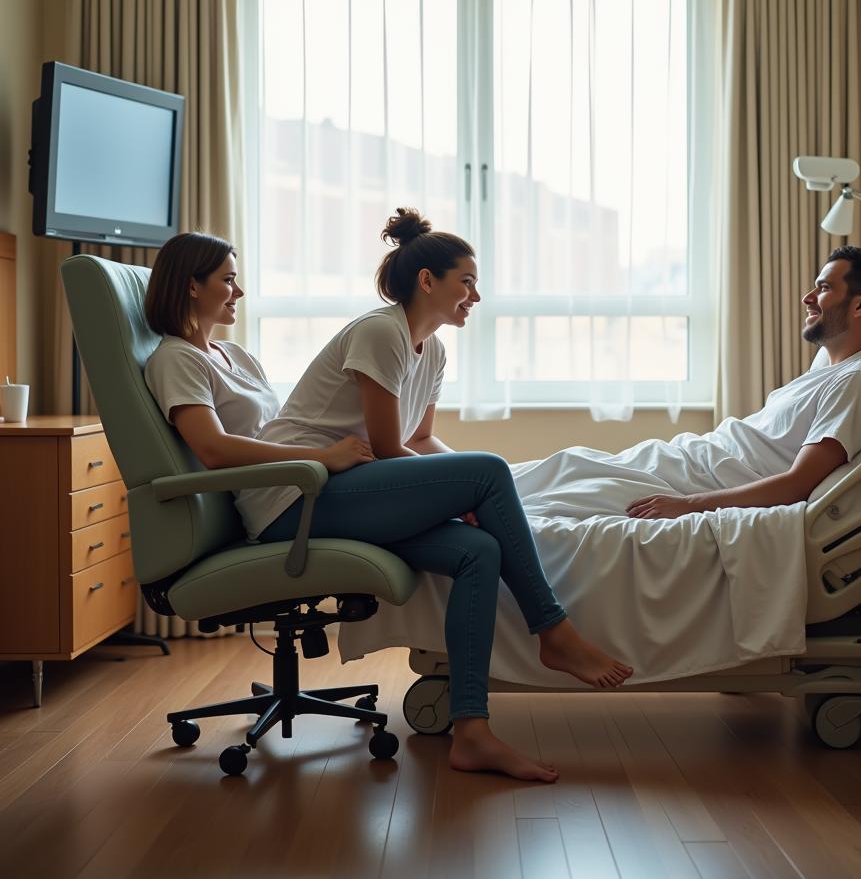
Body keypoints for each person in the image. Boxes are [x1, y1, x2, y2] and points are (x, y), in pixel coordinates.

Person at [143, 218, 632, 784]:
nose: (476, 295)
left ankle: (472, 732)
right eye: (228, 279)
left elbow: (419, 442)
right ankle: (554, 632)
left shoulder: (420, 351)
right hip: (294, 501)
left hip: (336, 488)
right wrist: (332, 462)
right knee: (489, 472)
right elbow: (214, 449)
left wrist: (470, 491)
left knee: (478, 548)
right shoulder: (182, 358)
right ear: (191, 286)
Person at [512, 246, 861, 520]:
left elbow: (797, 484)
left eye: (823, 288)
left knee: (561, 491)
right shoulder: (835, 365)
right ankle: (466, 497)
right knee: (568, 465)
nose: (807, 297)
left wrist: (690, 505)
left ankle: (468, 505)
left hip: (694, 483)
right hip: (689, 461)